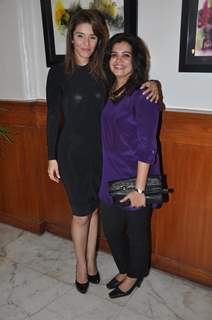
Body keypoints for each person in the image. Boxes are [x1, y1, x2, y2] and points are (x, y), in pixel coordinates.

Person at [46, 9, 159, 294]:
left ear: (99, 41)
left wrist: (154, 84)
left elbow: (131, 85)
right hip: (71, 154)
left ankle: (93, 263)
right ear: (71, 39)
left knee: (96, 212)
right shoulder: (58, 72)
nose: (86, 43)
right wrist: (51, 156)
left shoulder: (106, 72)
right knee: (81, 214)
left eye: (93, 37)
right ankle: (81, 266)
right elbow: (51, 117)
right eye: (80, 35)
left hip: (104, 157)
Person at [99, 33, 161, 299]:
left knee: (136, 232)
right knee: (112, 230)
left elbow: (147, 145)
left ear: (136, 61)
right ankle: (124, 268)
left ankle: (135, 274)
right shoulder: (108, 89)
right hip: (109, 174)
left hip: (136, 176)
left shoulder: (144, 95)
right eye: (114, 54)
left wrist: (140, 190)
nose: (119, 60)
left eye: (126, 55)